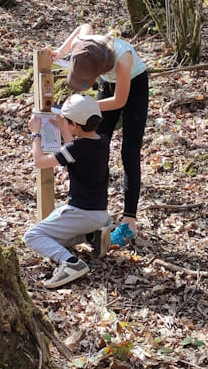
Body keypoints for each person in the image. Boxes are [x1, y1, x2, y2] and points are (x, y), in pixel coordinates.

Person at [51, 23, 148, 246]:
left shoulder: (123, 59)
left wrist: (86, 107)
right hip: (108, 82)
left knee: (129, 153)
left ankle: (129, 222)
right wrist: (61, 52)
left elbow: (119, 101)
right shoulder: (83, 47)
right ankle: (91, 209)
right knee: (95, 140)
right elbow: (84, 26)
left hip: (133, 87)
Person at [23, 93, 112, 289]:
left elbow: (39, 161)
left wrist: (35, 133)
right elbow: (75, 152)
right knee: (53, 229)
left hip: (80, 212)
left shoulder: (76, 148)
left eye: (68, 121)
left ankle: (70, 263)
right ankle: (92, 236)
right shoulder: (102, 141)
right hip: (99, 213)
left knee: (32, 236)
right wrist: (65, 128)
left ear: (76, 125)